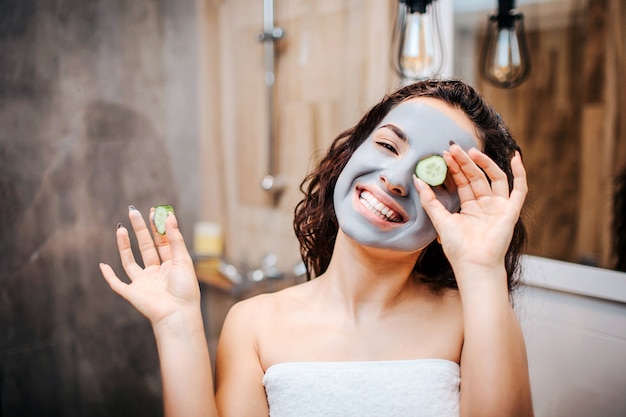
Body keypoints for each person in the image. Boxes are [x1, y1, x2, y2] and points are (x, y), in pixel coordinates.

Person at [99, 79, 534, 417]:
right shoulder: (254, 324)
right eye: (386, 145)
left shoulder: (473, 319)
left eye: (433, 176)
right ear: (350, 153)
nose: (396, 179)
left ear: (459, 214)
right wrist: (178, 325)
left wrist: (481, 268)